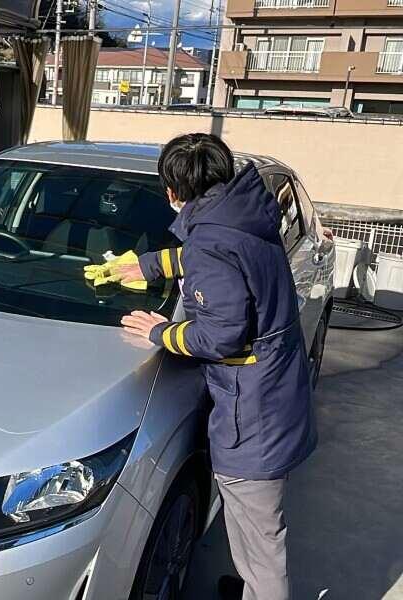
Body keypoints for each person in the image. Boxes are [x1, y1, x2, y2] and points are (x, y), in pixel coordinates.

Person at [118, 134, 316, 600]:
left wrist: (158, 332)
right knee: (256, 534)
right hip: (276, 395)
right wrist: (147, 266)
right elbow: (213, 257)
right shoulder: (242, 218)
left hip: (254, 417)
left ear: (172, 192)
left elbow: (220, 332)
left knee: (263, 543)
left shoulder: (211, 240)